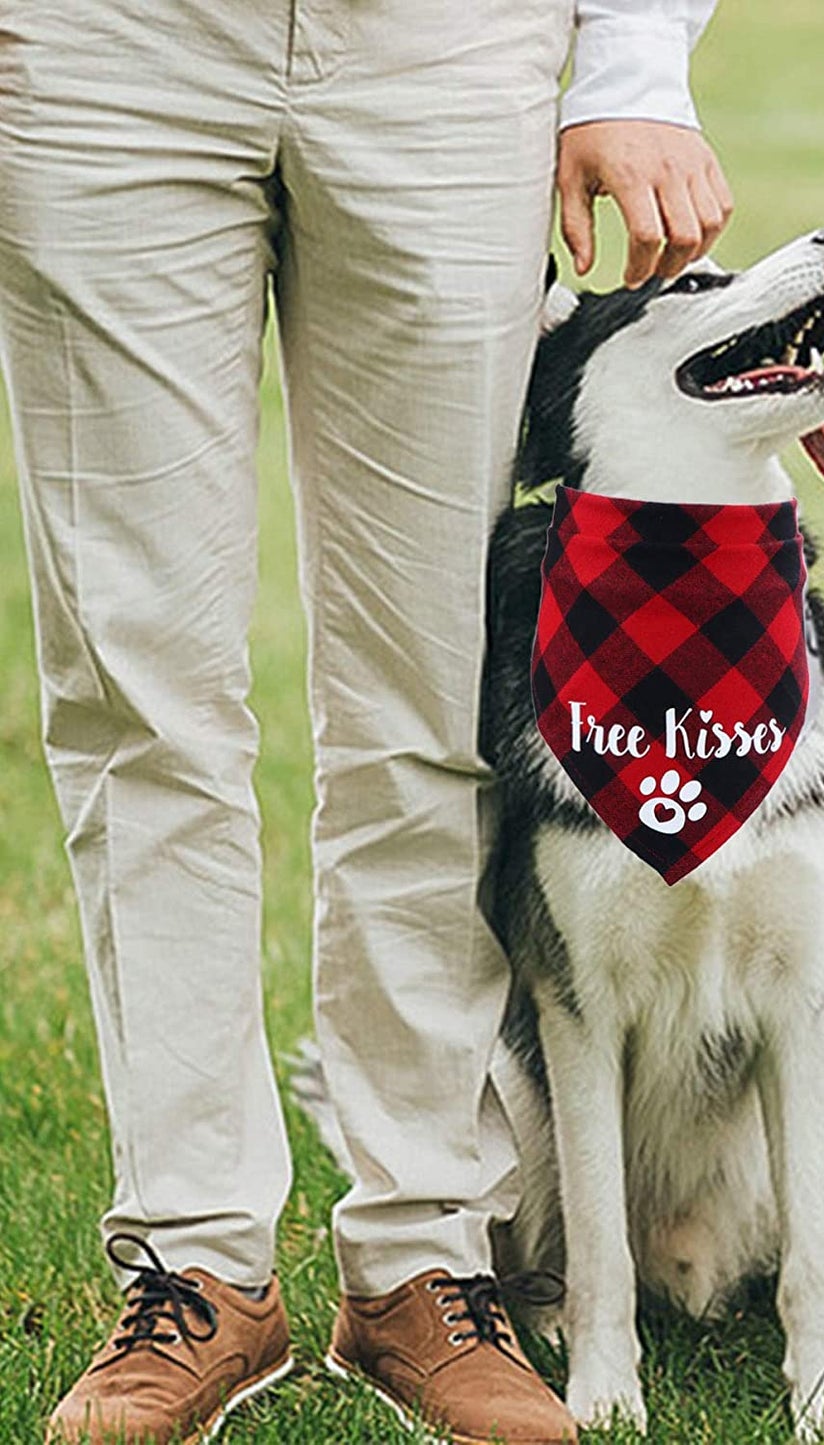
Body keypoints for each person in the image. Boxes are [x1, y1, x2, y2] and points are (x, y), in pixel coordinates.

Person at [0, 3, 731, 1442]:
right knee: (137, 692)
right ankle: (196, 1255)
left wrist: (637, 60)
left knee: (431, 691)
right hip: (102, 48)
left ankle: (419, 1254)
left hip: (447, 56)